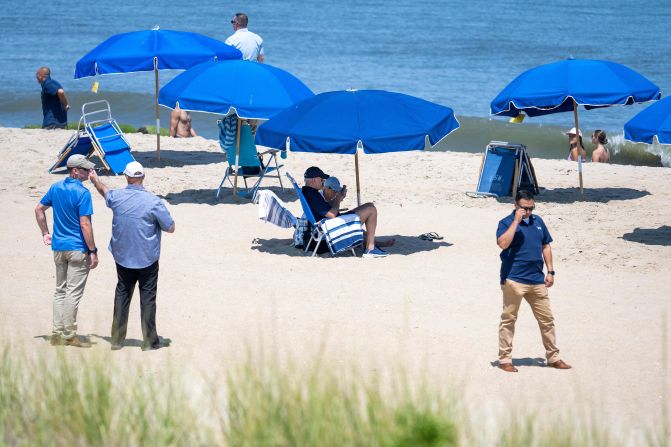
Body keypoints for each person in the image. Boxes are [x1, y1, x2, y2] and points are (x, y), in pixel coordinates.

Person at [89, 161, 175, 351]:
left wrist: (95, 179)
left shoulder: (117, 197)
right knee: (148, 298)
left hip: (123, 256)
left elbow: (104, 191)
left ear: (127, 177)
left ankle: (118, 340)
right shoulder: (153, 201)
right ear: (143, 177)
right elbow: (170, 227)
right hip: (147, 258)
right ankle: (150, 342)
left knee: (122, 294)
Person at [496, 190, 571, 372]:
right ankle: (505, 359)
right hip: (514, 279)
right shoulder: (505, 222)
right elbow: (502, 243)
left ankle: (553, 357)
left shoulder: (538, 222)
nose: (528, 212)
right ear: (516, 206)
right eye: (524, 208)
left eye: (531, 208)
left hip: (537, 279)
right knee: (509, 320)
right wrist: (516, 221)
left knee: (547, 320)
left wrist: (551, 271)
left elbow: (546, 245)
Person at [34, 154, 99, 347]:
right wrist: (93, 250)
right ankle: (69, 335)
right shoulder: (83, 193)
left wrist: (45, 233)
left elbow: (39, 209)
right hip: (77, 248)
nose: (90, 172)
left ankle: (56, 333)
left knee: (60, 291)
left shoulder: (55, 188)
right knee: (72, 292)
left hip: (59, 247)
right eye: (86, 169)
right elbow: (85, 224)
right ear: (75, 171)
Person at [302, 166, 394, 258]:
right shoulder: (312, 195)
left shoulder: (309, 193)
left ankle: (372, 244)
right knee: (371, 209)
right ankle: (370, 249)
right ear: (313, 180)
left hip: (324, 227)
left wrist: (338, 198)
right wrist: (337, 199)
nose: (323, 182)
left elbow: (325, 209)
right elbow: (332, 214)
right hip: (328, 232)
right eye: (321, 179)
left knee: (369, 205)